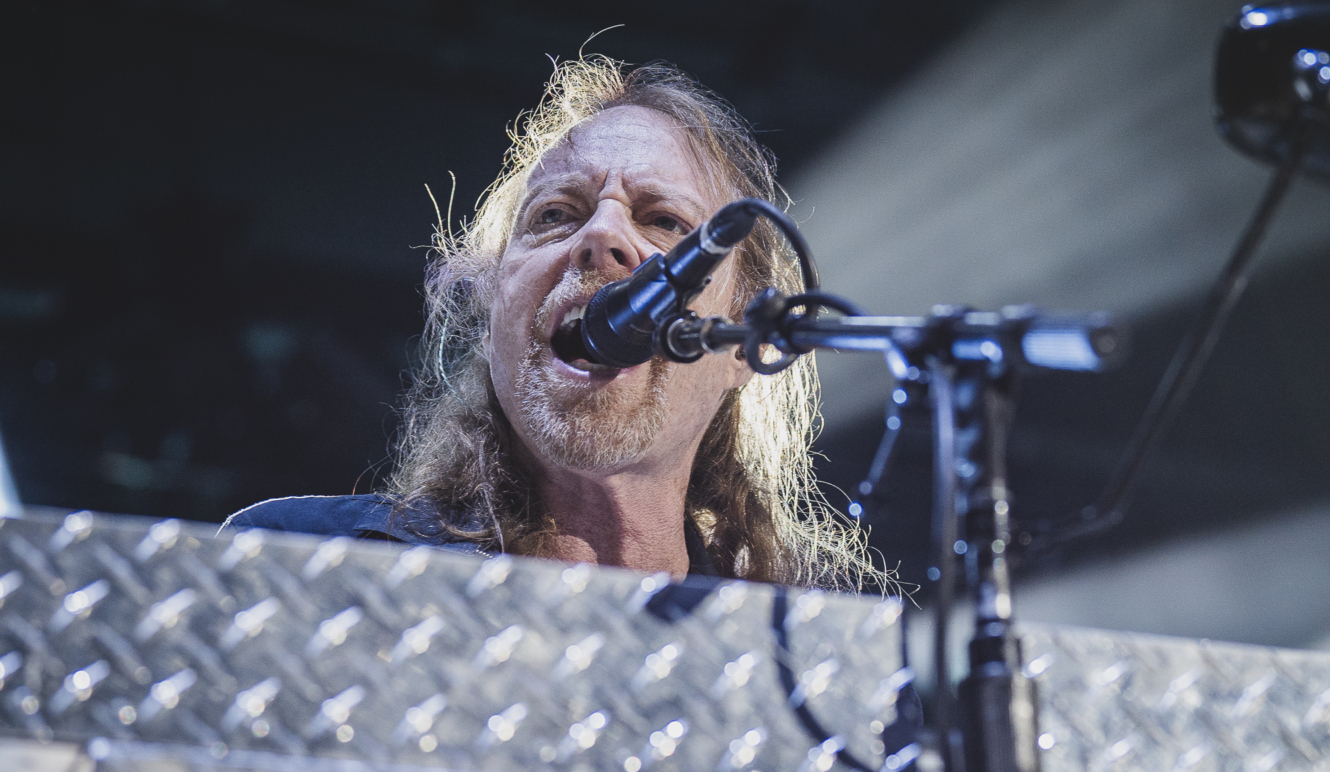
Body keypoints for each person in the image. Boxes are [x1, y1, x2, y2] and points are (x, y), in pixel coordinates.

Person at [228, 57, 884, 593]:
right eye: (554, 215)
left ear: (750, 337)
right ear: (491, 319)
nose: (601, 235)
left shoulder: (802, 654)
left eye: (664, 222)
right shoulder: (298, 562)